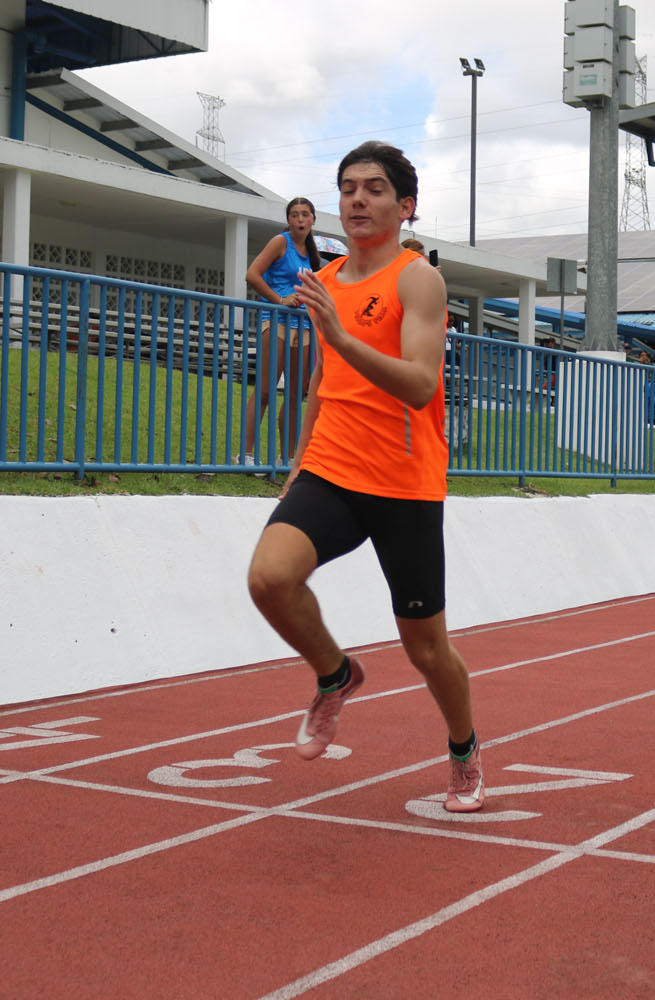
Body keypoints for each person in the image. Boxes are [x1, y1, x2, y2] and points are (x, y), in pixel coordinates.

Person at [245, 141, 484, 813]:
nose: (356, 199)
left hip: (404, 482)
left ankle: (463, 748)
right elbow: (325, 379)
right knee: (269, 578)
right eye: (347, 187)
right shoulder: (328, 278)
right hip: (333, 466)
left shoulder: (417, 280)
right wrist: (297, 466)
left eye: (374, 188)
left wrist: (346, 339)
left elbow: (417, 385)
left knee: (427, 648)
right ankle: (336, 674)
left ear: (404, 206)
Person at [242, 197, 322, 466]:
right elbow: (252, 274)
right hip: (275, 321)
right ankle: (246, 455)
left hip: (304, 326)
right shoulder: (280, 242)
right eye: (294, 215)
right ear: (288, 219)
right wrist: (280, 300)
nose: (300, 219)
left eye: (305, 215)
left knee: (295, 395)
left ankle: (286, 458)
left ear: (313, 219)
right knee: (264, 390)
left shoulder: (312, 254)